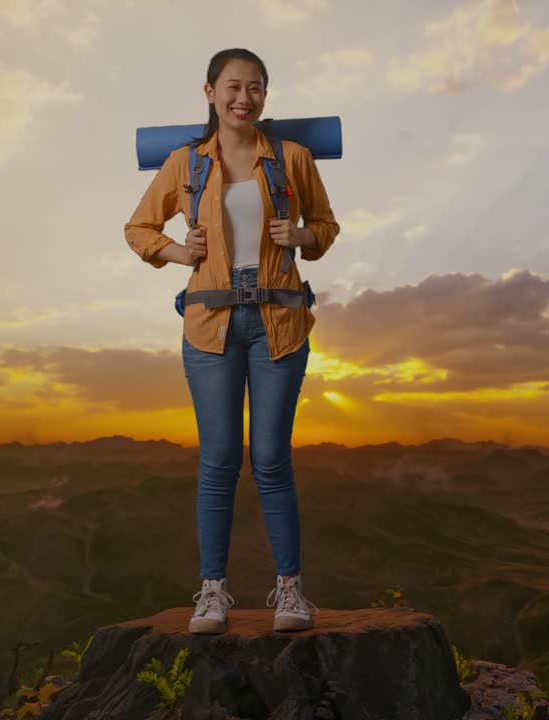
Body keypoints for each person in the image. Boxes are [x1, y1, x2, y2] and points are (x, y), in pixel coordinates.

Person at [123, 48, 340, 634]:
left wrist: (299, 235)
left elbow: (326, 226)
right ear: (210, 92)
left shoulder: (290, 158)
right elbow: (139, 228)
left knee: (271, 461)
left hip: (280, 322)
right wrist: (176, 252)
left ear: (267, 96)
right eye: (234, 87)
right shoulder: (186, 163)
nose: (245, 98)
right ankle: (212, 593)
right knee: (218, 463)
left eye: (257, 88)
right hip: (210, 326)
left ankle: (290, 592)